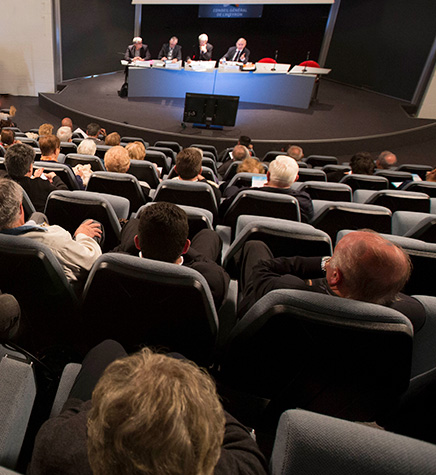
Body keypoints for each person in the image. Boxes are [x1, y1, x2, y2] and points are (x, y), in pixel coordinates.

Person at [28, 340, 268, 475]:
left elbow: (73, 413)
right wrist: (191, 400)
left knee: (109, 348)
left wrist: (118, 400)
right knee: (176, 357)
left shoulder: (59, 448)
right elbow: (242, 442)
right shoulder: (239, 468)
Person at [237, 230, 426, 331]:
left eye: (332, 257)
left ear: (335, 277)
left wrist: (324, 263)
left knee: (255, 246)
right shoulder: (413, 313)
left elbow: (263, 268)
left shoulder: (289, 293)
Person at [114, 202, 230, 310]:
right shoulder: (205, 281)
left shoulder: (111, 266)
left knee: (133, 222)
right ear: (186, 247)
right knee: (209, 235)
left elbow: (117, 252)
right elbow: (220, 274)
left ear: (137, 242)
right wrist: (183, 248)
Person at [0, 178, 102, 287]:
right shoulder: (55, 239)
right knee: (93, 223)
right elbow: (92, 259)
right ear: (21, 208)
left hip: (17, 287)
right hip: (60, 298)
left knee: (38, 216)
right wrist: (82, 235)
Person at [220, 155, 314, 223]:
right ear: (295, 179)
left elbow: (223, 212)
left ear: (268, 175)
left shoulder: (244, 195)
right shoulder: (303, 202)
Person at [4, 143, 68, 212]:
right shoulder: (41, 185)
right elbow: (63, 195)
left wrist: (34, 179)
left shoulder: (3, 183)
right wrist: (55, 177)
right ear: (30, 168)